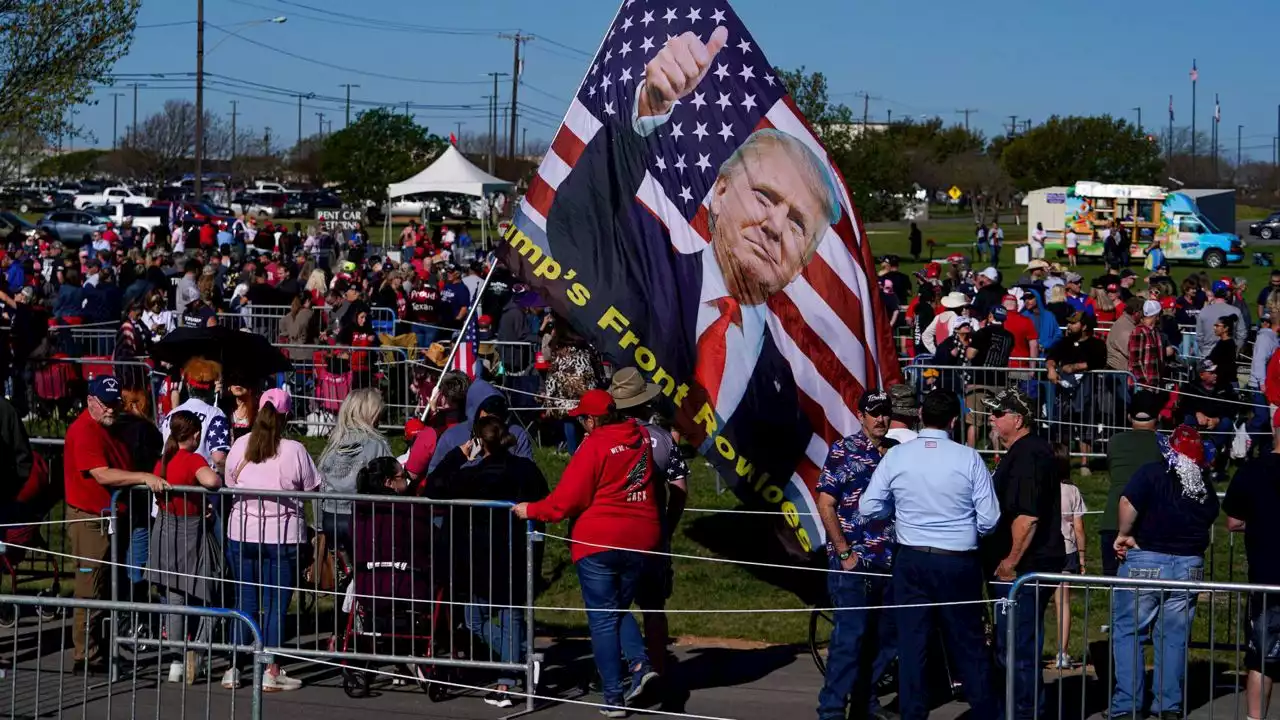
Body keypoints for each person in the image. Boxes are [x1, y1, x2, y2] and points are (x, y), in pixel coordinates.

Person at [513, 389, 661, 715]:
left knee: (604, 619)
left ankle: (613, 698)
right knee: (618, 609)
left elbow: (567, 501)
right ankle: (639, 666)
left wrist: (531, 510)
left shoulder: (595, 445)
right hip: (641, 538)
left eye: (583, 418)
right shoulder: (640, 438)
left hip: (599, 540)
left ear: (593, 419)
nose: (581, 424)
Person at [861, 390, 1001, 720]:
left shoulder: (898, 457)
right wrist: (967, 528)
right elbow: (991, 519)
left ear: (921, 414)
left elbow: (869, 506)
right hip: (957, 558)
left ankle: (913, 714)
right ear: (954, 421)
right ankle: (984, 713)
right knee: (968, 645)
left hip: (912, 558)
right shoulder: (968, 458)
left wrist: (896, 512)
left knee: (913, 646)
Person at [427, 416, 549, 708]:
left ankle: (509, 678)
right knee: (506, 617)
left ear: (480, 442)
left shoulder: (471, 477)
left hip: (484, 559)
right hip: (515, 554)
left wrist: (458, 454)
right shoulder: (525, 469)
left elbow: (434, 487)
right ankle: (518, 662)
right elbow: (543, 498)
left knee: (478, 619)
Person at [1110, 425, 1219, 720]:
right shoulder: (1204, 487)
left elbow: (1127, 502)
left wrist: (1123, 534)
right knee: (1174, 636)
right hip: (1188, 565)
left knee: (1129, 631)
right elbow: (1211, 516)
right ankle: (1168, 705)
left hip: (1147, 559)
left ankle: (1127, 705)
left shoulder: (1151, 473)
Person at [65, 376, 168, 673]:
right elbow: (102, 474)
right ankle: (86, 655)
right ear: (91, 401)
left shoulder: (111, 425)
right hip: (90, 518)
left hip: (110, 516)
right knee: (90, 587)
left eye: (115, 403)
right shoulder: (85, 430)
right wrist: (143, 478)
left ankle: (103, 651)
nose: (112, 409)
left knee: (110, 585)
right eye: (106, 404)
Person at [222, 389, 319, 691]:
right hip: (282, 535)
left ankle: (234, 668)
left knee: (245, 601)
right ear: (287, 416)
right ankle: (271, 669)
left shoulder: (240, 444)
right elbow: (314, 488)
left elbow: (229, 481)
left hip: (242, 532)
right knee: (276, 604)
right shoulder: (295, 449)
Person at [982, 387, 1065, 720]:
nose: (991, 418)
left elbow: (1027, 517)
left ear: (1018, 419)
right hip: (1023, 568)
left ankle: (1023, 711)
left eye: (998, 413)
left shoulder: (1029, 454)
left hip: (1022, 571)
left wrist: (1010, 563)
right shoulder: (1025, 452)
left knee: (1018, 648)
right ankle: (1016, 708)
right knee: (1012, 646)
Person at [815, 390, 897, 720]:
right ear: (861, 415)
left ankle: (866, 700)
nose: (881, 419)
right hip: (854, 561)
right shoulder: (843, 451)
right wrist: (844, 551)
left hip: (890, 559)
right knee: (849, 638)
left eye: (886, 412)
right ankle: (832, 709)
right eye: (874, 412)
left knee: (887, 638)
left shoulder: (897, 454)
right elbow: (826, 503)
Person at [607, 367, 690, 680]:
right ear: (646, 403)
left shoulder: (605, 439)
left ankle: (628, 669)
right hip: (654, 532)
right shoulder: (663, 438)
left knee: (614, 606)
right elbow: (680, 490)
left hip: (615, 533)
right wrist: (668, 524)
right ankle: (659, 670)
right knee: (654, 607)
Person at [147, 410, 224, 685]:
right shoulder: (192, 459)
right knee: (212, 593)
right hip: (190, 531)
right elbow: (212, 481)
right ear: (194, 435)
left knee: (175, 597)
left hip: (165, 529)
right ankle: (198, 652)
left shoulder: (163, 461)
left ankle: (176, 662)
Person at [1224, 413, 1280, 720]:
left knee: (1261, 658)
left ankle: (1254, 718)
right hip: (1266, 579)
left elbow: (1233, 521)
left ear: (1274, 430)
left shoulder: (1252, 471)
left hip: (1265, 578)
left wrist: (1261, 524)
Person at [317, 388, 393, 555]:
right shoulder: (378, 444)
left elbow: (320, 482)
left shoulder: (334, 444)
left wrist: (319, 523)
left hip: (331, 516)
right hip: (362, 516)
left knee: (340, 571)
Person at [160, 358, 231, 475]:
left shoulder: (171, 414)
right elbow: (219, 459)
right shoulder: (215, 414)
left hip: (172, 480)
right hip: (205, 484)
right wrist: (229, 481)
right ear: (212, 388)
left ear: (188, 386)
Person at [1052, 445, 1086, 670]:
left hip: (1042, 550)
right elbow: (1079, 528)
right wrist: (1083, 557)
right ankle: (1062, 653)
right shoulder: (1072, 491)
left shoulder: (1039, 487)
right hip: (1067, 549)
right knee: (1063, 603)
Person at [1197, 279, 1246, 358]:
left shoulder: (1204, 311)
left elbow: (1199, 336)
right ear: (1226, 293)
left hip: (1207, 353)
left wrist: (1204, 350)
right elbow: (1242, 334)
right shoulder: (1236, 311)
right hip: (1227, 354)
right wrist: (1236, 349)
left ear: (1213, 292)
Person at [1127, 300, 1167, 390]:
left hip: (1155, 383)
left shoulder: (1155, 332)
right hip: (1142, 386)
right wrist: (1144, 383)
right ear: (1156, 315)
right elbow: (1135, 361)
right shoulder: (1138, 332)